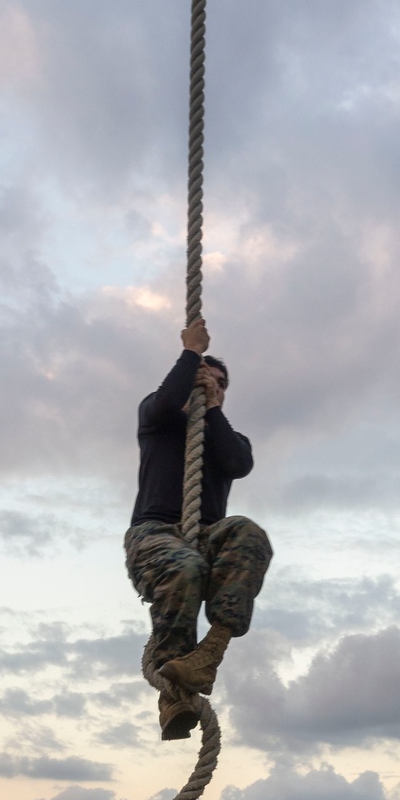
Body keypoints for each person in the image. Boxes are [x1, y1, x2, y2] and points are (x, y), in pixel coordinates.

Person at [124, 317, 273, 740]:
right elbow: (168, 399)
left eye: (222, 384)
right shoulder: (156, 418)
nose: (214, 386)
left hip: (207, 537)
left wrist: (210, 407)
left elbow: (238, 465)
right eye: (206, 379)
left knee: (248, 533)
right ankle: (173, 693)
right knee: (185, 569)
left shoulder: (229, 437)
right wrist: (191, 354)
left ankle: (208, 654)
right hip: (154, 534)